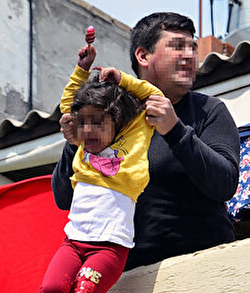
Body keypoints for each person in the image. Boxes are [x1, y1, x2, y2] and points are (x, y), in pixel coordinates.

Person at [53, 12, 240, 269]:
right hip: (124, 280)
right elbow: (64, 197)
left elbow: (225, 184)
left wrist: (175, 130)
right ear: (143, 56)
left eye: (192, 48)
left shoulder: (210, 110)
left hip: (203, 267)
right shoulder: (111, 115)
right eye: (177, 46)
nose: (189, 55)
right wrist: (75, 143)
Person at [38, 36, 163, 293]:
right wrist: (82, 68)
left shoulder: (135, 139)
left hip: (109, 248)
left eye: (98, 122)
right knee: (49, 292)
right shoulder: (79, 148)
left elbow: (155, 96)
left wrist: (120, 78)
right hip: (73, 242)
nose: (89, 131)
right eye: (83, 123)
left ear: (117, 122)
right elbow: (68, 103)